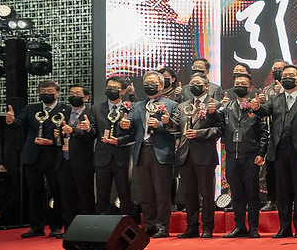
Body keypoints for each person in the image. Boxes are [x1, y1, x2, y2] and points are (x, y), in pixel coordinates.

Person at [251, 64, 297, 238]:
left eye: (290, 76)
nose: (286, 78)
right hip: (279, 150)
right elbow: (264, 110)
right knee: (282, 191)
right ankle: (284, 227)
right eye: (284, 76)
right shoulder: (275, 99)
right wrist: (256, 107)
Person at [6, 80, 70, 238]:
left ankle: (56, 226)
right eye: (43, 91)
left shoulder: (66, 110)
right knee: (34, 192)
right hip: (32, 155)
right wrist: (10, 121)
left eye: (50, 91)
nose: (46, 94)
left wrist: (53, 141)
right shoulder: (30, 108)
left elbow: (68, 132)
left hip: (54, 156)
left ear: (57, 93)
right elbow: (19, 123)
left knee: (56, 191)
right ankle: (36, 226)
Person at [123, 71, 179, 238]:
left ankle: (162, 226)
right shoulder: (137, 106)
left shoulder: (172, 105)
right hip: (141, 152)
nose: (149, 85)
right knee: (145, 193)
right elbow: (130, 127)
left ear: (161, 85)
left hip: (161, 152)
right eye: (146, 83)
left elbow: (176, 128)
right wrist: (124, 125)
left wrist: (161, 124)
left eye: (153, 83)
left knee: (162, 193)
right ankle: (149, 225)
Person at [174, 73, 223, 238]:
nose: (193, 86)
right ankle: (192, 226)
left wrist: (199, 133)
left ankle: (208, 227)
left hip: (205, 155)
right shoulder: (183, 106)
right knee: (188, 193)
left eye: (197, 83)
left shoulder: (215, 104)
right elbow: (176, 126)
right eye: (191, 83)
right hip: (185, 155)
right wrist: (166, 122)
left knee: (207, 193)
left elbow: (220, 129)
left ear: (206, 86)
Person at [223, 74, 268, 238]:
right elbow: (218, 127)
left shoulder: (256, 108)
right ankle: (239, 226)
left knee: (252, 193)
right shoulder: (227, 107)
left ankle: (253, 227)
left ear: (250, 88)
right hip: (231, 157)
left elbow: (264, 133)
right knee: (236, 193)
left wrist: (261, 153)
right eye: (237, 84)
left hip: (251, 157)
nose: (239, 86)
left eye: (243, 84)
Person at [91, 77, 134, 217]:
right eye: (109, 88)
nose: (111, 90)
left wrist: (119, 140)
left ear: (123, 91)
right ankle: (102, 222)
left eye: (115, 88)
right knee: (102, 193)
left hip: (122, 156)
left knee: (124, 192)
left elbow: (135, 133)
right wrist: (86, 129)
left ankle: (126, 221)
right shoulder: (96, 108)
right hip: (102, 156)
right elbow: (92, 131)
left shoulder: (130, 108)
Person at [57, 84, 96, 235]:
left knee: (84, 195)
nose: (74, 96)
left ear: (86, 97)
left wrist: (74, 130)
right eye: (71, 93)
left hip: (83, 161)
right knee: (67, 196)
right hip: (64, 160)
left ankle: (87, 229)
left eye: (77, 94)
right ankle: (69, 229)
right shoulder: (64, 112)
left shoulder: (90, 113)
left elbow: (92, 134)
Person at [258, 59, 287, 213]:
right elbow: (264, 111)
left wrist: (281, 92)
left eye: (280, 69)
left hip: (288, 137)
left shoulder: (294, 90)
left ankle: (290, 200)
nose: (277, 71)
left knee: (289, 171)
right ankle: (271, 200)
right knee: (271, 171)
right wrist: (261, 103)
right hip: (271, 136)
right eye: (274, 69)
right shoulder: (267, 90)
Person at [0, 163, 17, 227]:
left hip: (9, 214)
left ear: (6, 170)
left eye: (2, 169)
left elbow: (13, 199)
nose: (0, 171)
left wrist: (1, 212)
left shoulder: (12, 183)